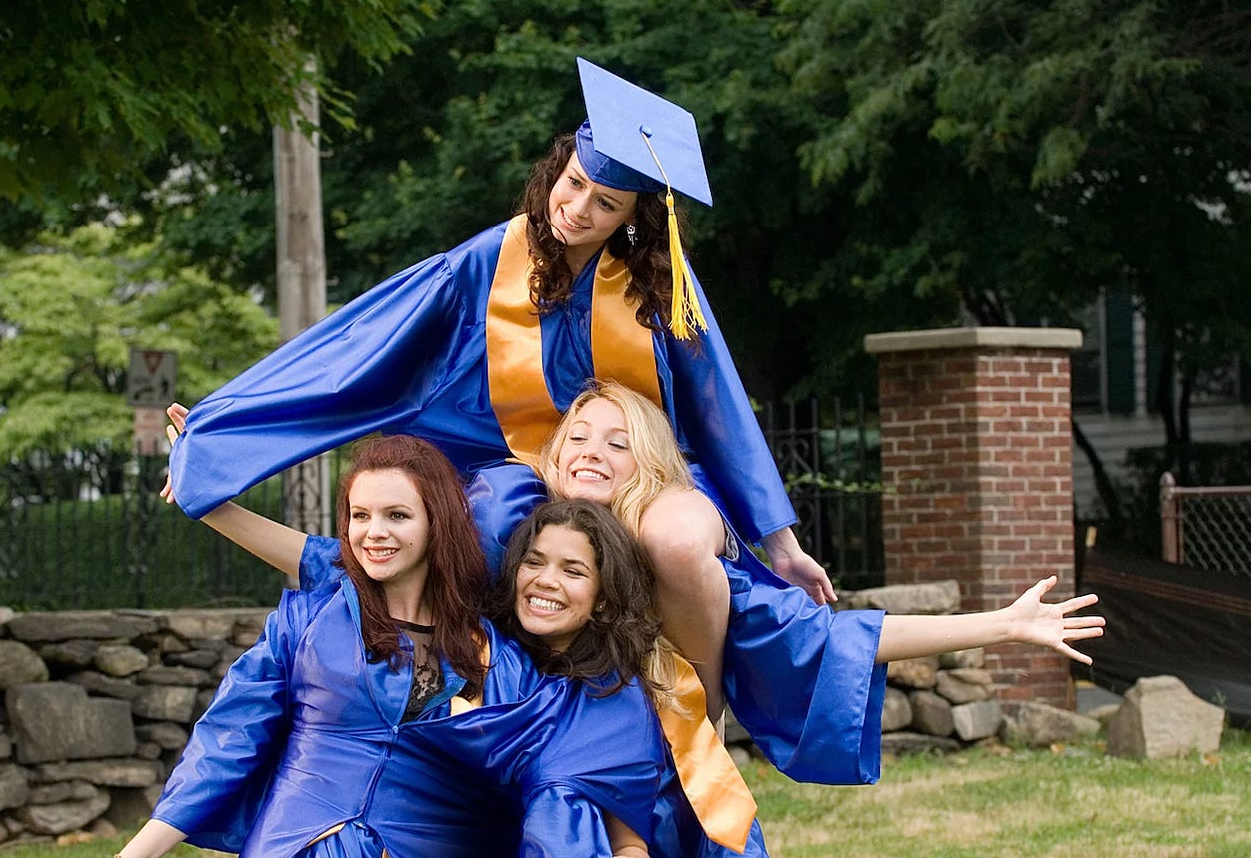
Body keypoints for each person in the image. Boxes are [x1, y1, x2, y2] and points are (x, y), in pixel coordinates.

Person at [162, 57, 835, 720]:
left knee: (678, 545)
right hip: (524, 465)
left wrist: (782, 544)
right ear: (555, 172)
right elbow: (356, 347)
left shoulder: (659, 282)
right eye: (572, 186)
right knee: (477, 530)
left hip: (642, 473)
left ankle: (701, 718)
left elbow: (720, 407)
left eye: (605, 204)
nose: (578, 210)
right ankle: (463, 706)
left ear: (631, 218)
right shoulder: (488, 262)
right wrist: (224, 432)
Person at [532, 380, 1107, 858]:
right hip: (579, 817)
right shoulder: (524, 560)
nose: (591, 451)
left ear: (649, 465)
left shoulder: (683, 564)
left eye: (617, 442)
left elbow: (843, 639)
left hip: (686, 801)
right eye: (577, 437)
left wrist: (1002, 624)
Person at [62, 434, 662, 858]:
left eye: (397, 515)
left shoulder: (497, 654)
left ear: (438, 523)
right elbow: (223, 751)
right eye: (359, 515)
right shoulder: (309, 621)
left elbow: (559, 789)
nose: (374, 532)